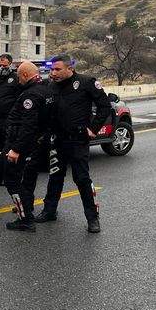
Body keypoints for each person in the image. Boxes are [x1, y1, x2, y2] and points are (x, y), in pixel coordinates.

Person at [35, 54, 110, 233]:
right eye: (52, 69)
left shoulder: (86, 82)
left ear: (70, 68)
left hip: (77, 140)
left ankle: (92, 218)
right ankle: (49, 210)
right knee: (55, 177)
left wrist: (93, 129)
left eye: (57, 69)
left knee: (82, 179)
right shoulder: (51, 86)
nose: (53, 73)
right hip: (57, 139)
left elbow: (104, 106)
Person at [0, 62, 53, 231]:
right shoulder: (46, 90)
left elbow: (28, 126)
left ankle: (25, 218)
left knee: (12, 181)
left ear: (25, 75)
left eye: (19, 76)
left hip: (19, 144)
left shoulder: (30, 95)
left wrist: (16, 149)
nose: (18, 80)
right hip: (22, 142)